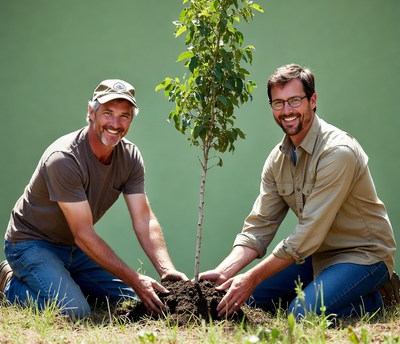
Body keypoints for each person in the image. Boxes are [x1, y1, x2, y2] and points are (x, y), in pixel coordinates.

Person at [200, 63, 398, 320]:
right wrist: (226, 271)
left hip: (363, 256)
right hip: (316, 257)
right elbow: (259, 227)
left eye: (294, 101)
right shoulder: (277, 159)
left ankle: (381, 297)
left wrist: (251, 276)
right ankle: (328, 289)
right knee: (243, 300)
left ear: (312, 100)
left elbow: (307, 235)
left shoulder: (338, 152)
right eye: (278, 103)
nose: (286, 111)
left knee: (302, 314)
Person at [0, 79, 187, 319]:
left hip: (72, 248)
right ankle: (9, 283)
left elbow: (143, 218)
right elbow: (84, 234)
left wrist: (166, 270)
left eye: (124, 116)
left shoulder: (129, 157)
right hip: (31, 243)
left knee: (128, 300)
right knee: (74, 310)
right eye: (108, 113)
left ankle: (63, 281)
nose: (115, 124)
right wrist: (135, 278)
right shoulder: (64, 158)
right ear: (91, 112)